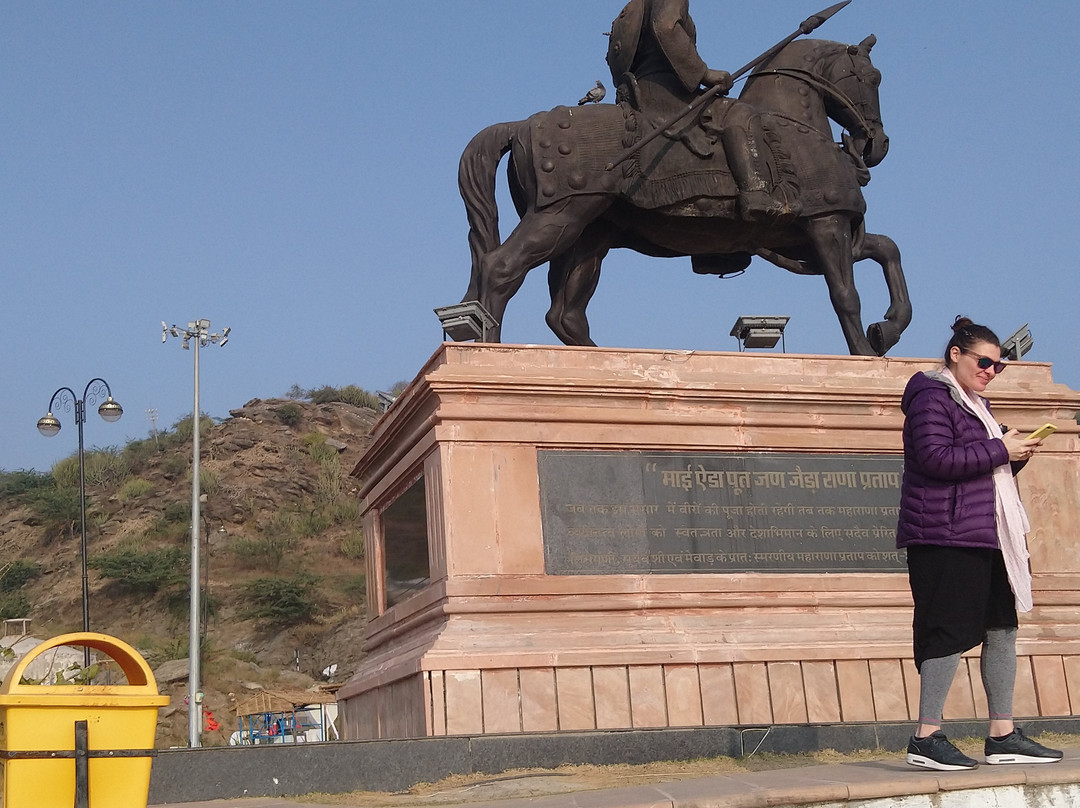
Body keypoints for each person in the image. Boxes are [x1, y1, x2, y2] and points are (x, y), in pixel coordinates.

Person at [897, 316, 1062, 771]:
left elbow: (980, 469)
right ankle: (925, 738)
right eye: (984, 362)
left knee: (1001, 630)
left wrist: (1016, 453)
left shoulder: (977, 406)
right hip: (943, 535)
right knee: (947, 633)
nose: (991, 371)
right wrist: (999, 451)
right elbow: (934, 458)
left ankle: (1002, 734)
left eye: (999, 366)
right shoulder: (932, 397)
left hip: (984, 533)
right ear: (956, 355)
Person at [606, 0, 792, 220]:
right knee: (740, 113)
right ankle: (755, 194)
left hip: (640, 93)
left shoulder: (630, 10)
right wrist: (705, 74)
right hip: (670, 97)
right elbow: (665, 27)